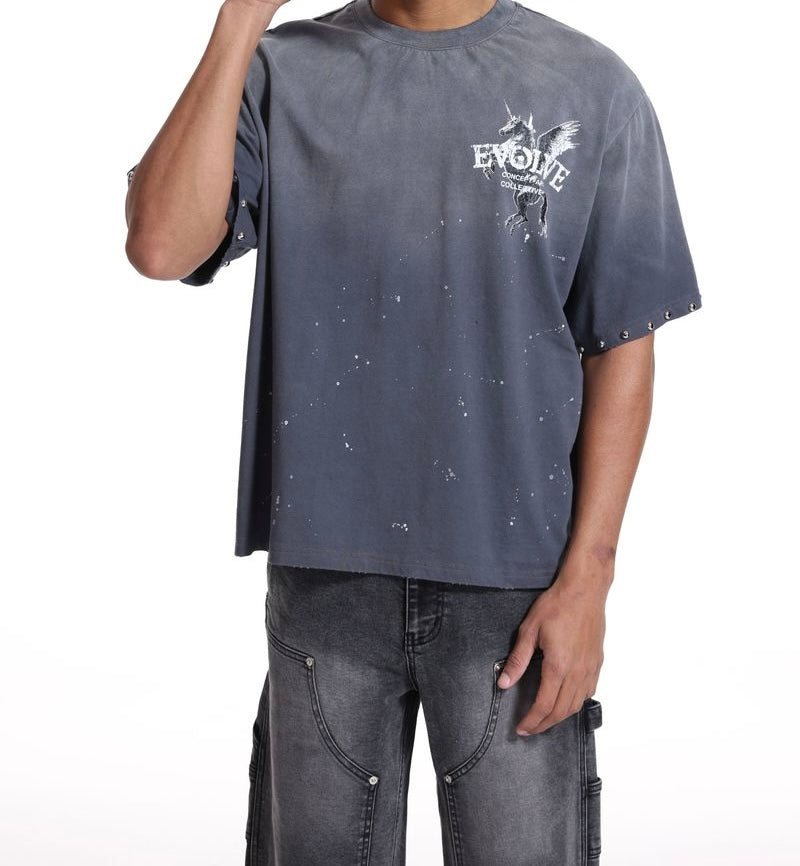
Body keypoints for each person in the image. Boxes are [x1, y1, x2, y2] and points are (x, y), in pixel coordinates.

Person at [124, 0, 702, 862]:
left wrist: (591, 578)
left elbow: (620, 339)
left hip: (518, 592)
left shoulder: (591, 85)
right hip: (326, 585)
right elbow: (161, 245)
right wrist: (240, 19)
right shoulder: (282, 70)